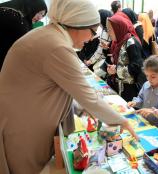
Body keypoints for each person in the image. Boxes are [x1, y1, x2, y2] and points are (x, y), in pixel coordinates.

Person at [0, 0, 138, 173]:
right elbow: (90, 98)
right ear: (78, 24)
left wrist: (80, 108)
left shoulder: (49, 36)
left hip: (19, 117)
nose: (92, 38)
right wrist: (122, 120)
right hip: (22, 128)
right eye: (93, 31)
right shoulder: (57, 46)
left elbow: (55, 88)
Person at [127, 53, 158, 132]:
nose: (149, 79)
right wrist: (135, 102)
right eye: (147, 75)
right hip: (143, 123)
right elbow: (141, 98)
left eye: (153, 76)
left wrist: (154, 112)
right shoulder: (146, 84)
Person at [106, 15, 145, 102]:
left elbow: (137, 66)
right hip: (119, 86)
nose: (108, 33)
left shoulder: (131, 43)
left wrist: (116, 70)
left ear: (117, 28)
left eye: (110, 30)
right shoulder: (118, 42)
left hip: (130, 89)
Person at [0, 0, 47, 70]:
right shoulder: (17, 18)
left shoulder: (8, 11)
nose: (40, 18)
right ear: (32, 7)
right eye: (40, 13)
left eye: (43, 15)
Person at [85, 9, 113, 78]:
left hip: (104, 61)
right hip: (108, 60)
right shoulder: (109, 29)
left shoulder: (105, 32)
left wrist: (90, 61)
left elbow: (100, 51)